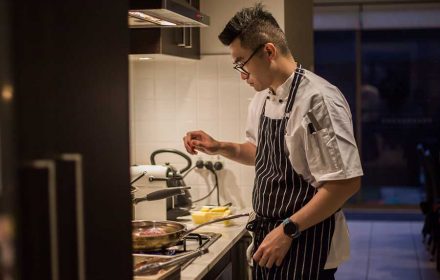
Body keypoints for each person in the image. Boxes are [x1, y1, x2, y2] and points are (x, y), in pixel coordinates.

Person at [183, 4, 363, 280]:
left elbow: (345, 183)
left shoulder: (318, 100)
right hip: (272, 241)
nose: (241, 73)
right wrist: (219, 146)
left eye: (241, 62)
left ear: (268, 51)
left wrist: (288, 230)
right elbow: (260, 153)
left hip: (307, 242)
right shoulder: (263, 97)